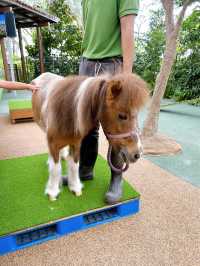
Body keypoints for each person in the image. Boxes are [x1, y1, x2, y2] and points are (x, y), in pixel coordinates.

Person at [79, 0, 139, 203]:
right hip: (87, 64)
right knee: (87, 125)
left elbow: (127, 26)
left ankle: (116, 179)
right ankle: (85, 170)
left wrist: (127, 76)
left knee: (117, 126)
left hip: (111, 65)